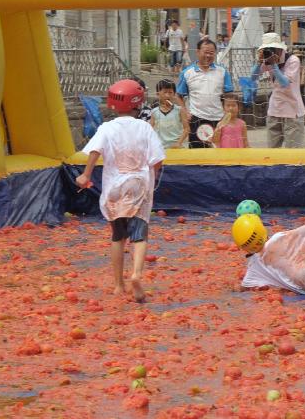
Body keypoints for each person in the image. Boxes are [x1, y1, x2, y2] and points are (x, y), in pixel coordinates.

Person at [75, 80, 165, 302]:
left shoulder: (107, 128)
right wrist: (152, 179)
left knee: (118, 236)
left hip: (115, 187)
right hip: (139, 184)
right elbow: (157, 160)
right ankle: (136, 274)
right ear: (137, 104)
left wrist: (85, 175)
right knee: (139, 235)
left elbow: (95, 151)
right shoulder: (144, 128)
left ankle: (118, 285)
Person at [250, 33, 305, 148]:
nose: (270, 52)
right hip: (275, 110)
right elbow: (253, 77)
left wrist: (274, 66)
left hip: (292, 111)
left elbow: (285, 83)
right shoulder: (267, 61)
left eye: (272, 49)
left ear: (280, 48)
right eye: (267, 49)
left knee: (293, 153)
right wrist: (259, 62)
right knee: (272, 151)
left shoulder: (293, 60)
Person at [176, 38, 234, 148]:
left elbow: (229, 95)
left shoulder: (222, 72)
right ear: (197, 52)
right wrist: (185, 112)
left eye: (211, 53)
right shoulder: (187, 73)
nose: (208, 56)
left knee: (220, 155)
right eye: (205, 52)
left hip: (219, 120)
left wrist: (227, 115)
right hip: (197, 120)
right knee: (198, 156)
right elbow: (179, 96)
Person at [150, 79, 188, 149]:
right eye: (165, 92)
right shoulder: (154, 111)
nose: (168, 95)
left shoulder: (179, 110)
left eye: (170, 92)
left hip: (177, 146)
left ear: (174, 94)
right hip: (161, 147)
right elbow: (150, 130)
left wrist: (178, 143)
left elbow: (187, 129)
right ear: (158, 94)